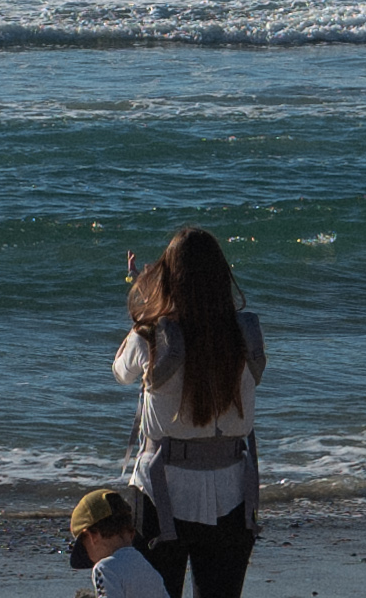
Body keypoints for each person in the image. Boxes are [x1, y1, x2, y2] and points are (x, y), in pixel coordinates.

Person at [114, 227, 267, 598]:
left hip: (161, 490)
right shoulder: (246, 333)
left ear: (167, 278)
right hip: (233, 489)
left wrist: (147, 299)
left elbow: (121, 371)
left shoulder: (150, 336)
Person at [67, 488, 163, 598]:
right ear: (131, 533)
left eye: (85, 547)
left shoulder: (104, 568)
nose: (91, 560)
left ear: (92, 536)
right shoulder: (147, 567)